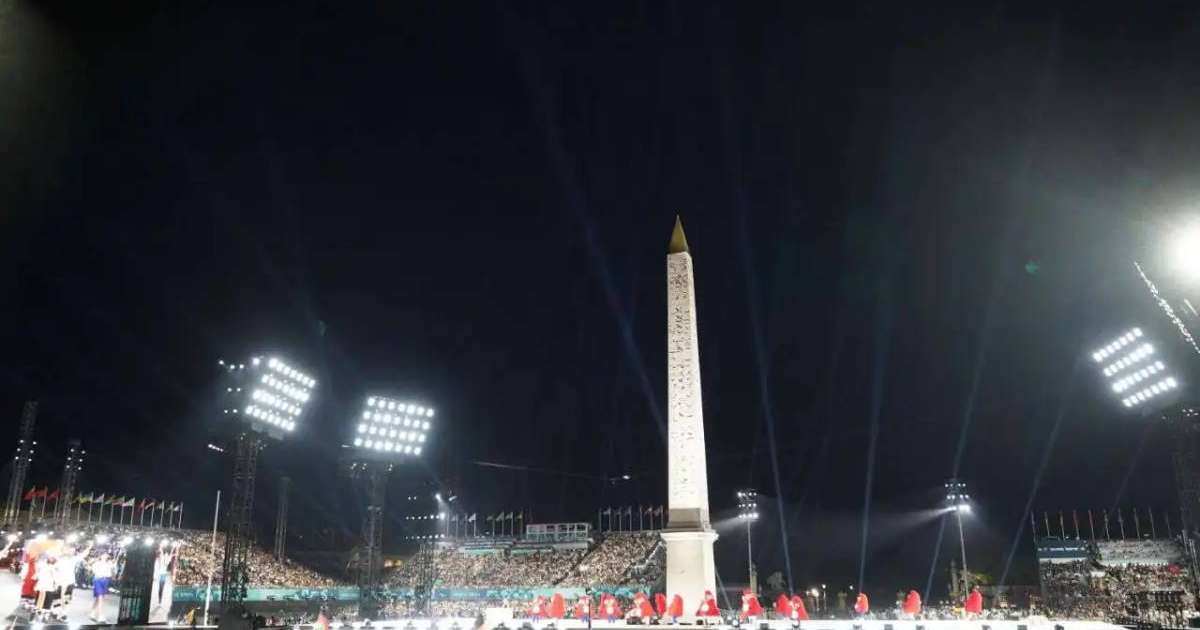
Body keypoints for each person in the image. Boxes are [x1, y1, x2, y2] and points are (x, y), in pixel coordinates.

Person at [90, 553, 115, 623]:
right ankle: (100, 616)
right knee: (100, 598)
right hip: (98, 580)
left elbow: (111, 573)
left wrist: (111, 566)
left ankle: (92, 613)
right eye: (103, 555)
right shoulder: (96, 563)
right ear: (100, 556)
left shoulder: (109, 564)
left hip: (105, 580)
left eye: (106, 555)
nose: (105, 556)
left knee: (98, 598)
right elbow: (94, 571)